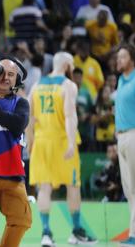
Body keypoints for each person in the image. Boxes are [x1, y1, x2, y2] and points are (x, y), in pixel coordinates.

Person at [27, 52, 97, 246]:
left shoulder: (36, 86)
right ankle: (76, 231)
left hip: (41, 142)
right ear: (67, 65)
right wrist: (70, 143)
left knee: (44, 188)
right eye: (72, 65)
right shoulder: (69, 86)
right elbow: (70, 117)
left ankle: (46, 233)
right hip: (62, 140)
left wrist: (30, 143)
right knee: (73, 186)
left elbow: (29, 119)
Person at [0, 58, 32, 247]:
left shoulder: (21, 103)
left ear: (17, 80)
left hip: (12, 172)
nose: (5, 77)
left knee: (22, 220)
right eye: (1, 72)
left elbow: (18, 125)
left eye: (11, 74)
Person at [115, 44, 135, 246]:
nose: (119, 60)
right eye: (118, 57)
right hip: (121, 138)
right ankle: (134, 232)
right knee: (128, 189)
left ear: (132, 59)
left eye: (123, 56)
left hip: (134, 135)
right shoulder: (121, 80)